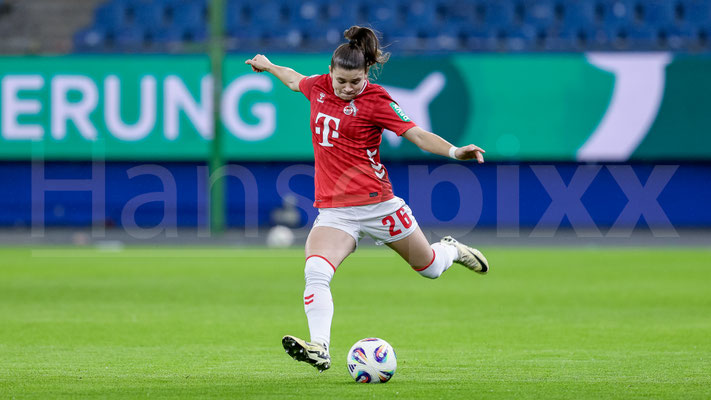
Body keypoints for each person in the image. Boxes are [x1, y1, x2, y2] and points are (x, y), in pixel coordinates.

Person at [245, 26, 489, 372]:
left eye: (355, 82)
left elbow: (417, 135)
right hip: (335, 212)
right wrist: (269, 66)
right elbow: (293, 79)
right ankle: (320, 347)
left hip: (379, 205)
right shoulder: (318, 87)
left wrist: (454, 151)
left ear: (366, 74)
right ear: (330, 72)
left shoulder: (376, 100)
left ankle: (452, 250)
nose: (347, 88)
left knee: (431, 268)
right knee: (316, 270)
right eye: (341, 81)